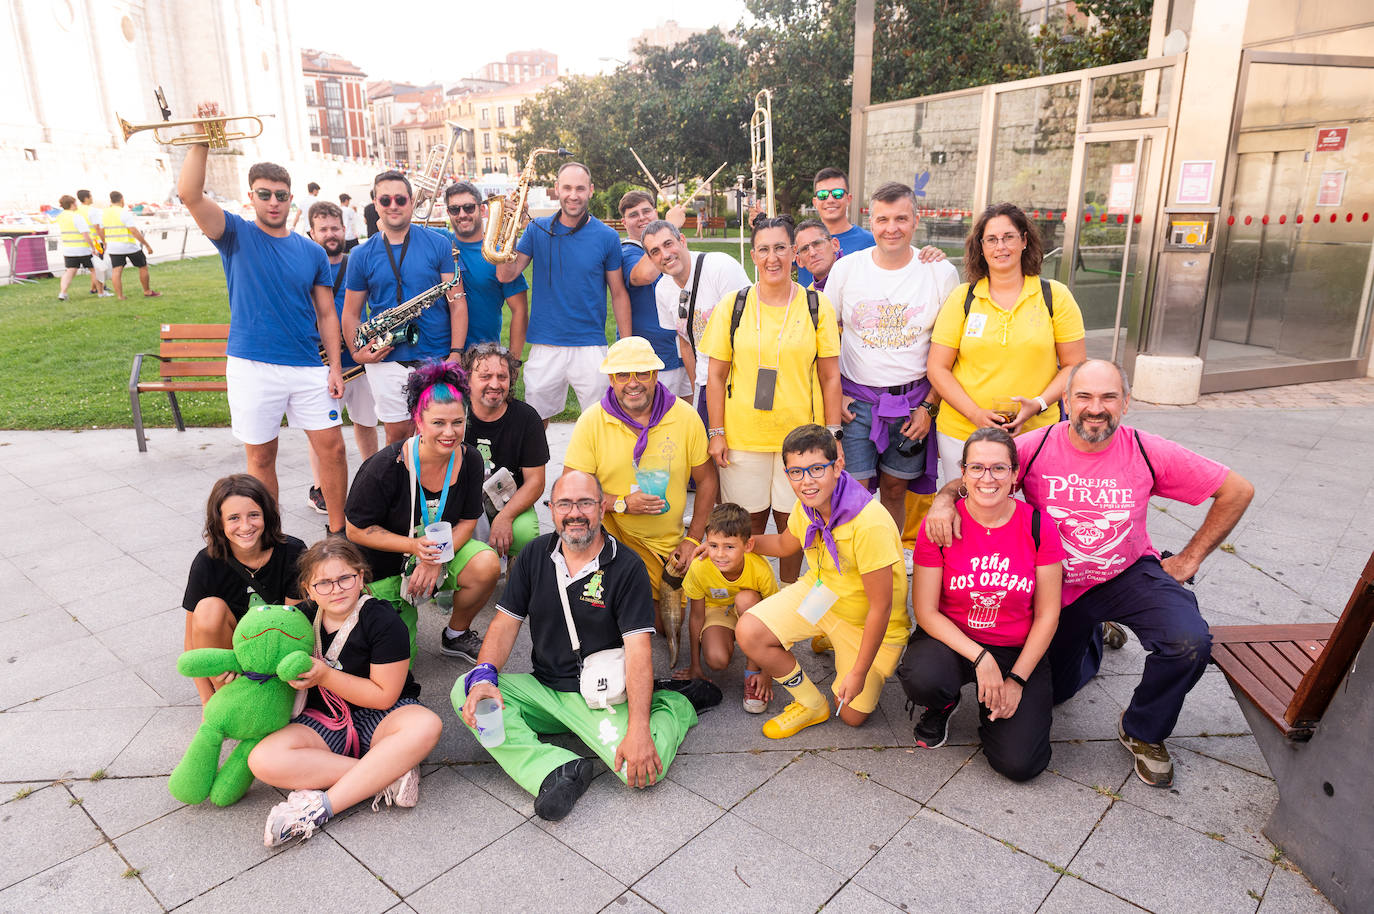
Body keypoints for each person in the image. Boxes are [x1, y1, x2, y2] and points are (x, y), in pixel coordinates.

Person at [924, 360, 1255, 787]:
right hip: (1056, 587)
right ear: (1066, 401)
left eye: (1108, 397)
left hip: (1126, 573)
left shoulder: (1146, 449)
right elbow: (981, 474)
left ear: (1126, 403)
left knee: (1189, 642)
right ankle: (1095, 638)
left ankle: (1143, 729)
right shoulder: (1037, 445)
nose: (1095, 408)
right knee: (1058, 693)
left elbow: (1237, 489)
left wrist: (1189, 559)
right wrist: (943, 500)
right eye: (1084, 397)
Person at [452, 471, 701, 822]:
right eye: (565, 503)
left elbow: (639, 650)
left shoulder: (626, 566)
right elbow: (505, 626)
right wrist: (484, 677)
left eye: (585, 503)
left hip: (602, 693)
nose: (575, 513)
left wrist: (640, 729)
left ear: (601, 508)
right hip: (545, 688)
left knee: (643, 772)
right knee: (467, 690)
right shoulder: (534, 556)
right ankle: (557, 768)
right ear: (551, 509)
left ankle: (674, 704)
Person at [177, 125, 350, 535]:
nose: (273, 202)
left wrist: (336, 367)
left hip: (308, 366)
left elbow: (327, 314)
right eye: (264, 194)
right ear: (250, 197)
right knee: (260, 459)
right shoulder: (235, 234)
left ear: (291, 199)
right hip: (252, 366)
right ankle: (271, 543)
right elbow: (189, 194)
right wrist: (202, 138)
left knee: (334, 449)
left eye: (281, 195)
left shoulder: (311, 250)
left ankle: (339, 532)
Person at [251, 538, 443, 847]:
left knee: (427, 725)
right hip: (325, 718)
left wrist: (325, 675)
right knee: (262, 759)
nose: (336, 589)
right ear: (308, 587)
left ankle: (319, 809)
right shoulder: (299, 618)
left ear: (361, 577)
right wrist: (239, 670)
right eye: (323, 583)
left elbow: (384, 696)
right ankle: (387, 775)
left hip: (383, 716)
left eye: (345, 578)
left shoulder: (382, 618)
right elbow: (263, 657)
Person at [898, 427, 1063, 781]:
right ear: (963, 473)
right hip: (954, 641)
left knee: (1021, 765)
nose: (987, 478)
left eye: (999, 468)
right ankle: (942, 704)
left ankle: (995, 718)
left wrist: (1016, 678)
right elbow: (925, 612)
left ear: (1015, 475)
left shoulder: (1038, 526)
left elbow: (1049, 613)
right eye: (977, 468)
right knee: (923, 675)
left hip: (1015, 648)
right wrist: (980, 658)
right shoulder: (940, 525)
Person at [735, 425, 909, 739]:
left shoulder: (869, 523)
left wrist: (858, 673)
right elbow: (783, 546)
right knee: (749, 631)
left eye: (817, 469)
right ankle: (812, 704)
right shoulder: (809, 506)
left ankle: (842, 646)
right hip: (823, 596)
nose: (806, 481)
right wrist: (734, 545)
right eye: (796, 472)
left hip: (866, 620)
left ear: (837, 466)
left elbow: (881, 609)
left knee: (852, 714)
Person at [700, 214, 843, 585]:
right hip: (743, 439)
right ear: (753, 255)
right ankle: (748, 596)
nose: (772, 257)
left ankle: (789, 595)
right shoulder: (734, 305)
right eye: (764, 249)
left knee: (793, 527)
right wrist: (716, 431)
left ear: (795, 253)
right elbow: (714, 376)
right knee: (744, 529)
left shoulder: (816, 305)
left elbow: (830, 377)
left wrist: (834, 437)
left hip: (801, 442)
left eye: (780, 248)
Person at [826, 182, 958, 554]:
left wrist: (930, 407)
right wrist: (833, 399)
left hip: (911, 403)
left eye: (901, 218)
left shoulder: (939, 273)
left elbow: (950, 351)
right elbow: (823, 341)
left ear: (916, 220)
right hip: (856, 402)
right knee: (853, 490)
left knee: (896, 488)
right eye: (882, 219)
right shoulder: (847, 270)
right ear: (871, 221)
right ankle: (853, 564)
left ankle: (890, 558)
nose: (892, 228)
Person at [345, 362, 501, 663]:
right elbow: (355, 530)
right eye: (438, 423)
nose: (450, 432)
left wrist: (434, 557)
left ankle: (455, 635)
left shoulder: (469, 461)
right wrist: (414, 547)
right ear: (419, 420)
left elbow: (469, 520)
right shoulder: (385, 467)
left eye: (458, 422)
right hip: (385, 566)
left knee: (486, 564)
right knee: (398, 663)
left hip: (437, 553)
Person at [926, 203, 1087, 483]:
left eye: (1008, 237)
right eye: (991, 239)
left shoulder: (1054, 296)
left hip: (1035, 432)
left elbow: (1075, 365)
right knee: (967, 511)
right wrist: (975, 413)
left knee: (1033, 514)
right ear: (981, 246)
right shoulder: (963, 298)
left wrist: (1037, 404)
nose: (1000, 246)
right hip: (962, 431)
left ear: (1024, 240)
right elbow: (938, 368)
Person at [563, 337, 717, 612]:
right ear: (611, 379)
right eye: (623, 374)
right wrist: (621, 503)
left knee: (661, 620)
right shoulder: (592, 421)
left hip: (665, 545)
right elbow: (570, 492)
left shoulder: (684, 417)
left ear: (656, 374)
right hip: (609, 536)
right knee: (606, 611)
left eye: (642, 373)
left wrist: (693, 539)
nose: (633, 383)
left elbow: (707, 480)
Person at [494, 161, 631, 425]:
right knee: (535, 423)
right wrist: (511, 228)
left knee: (603, 423)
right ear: (557, 189)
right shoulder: (536, 229)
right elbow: (505, 275)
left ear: (590, 190)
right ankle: (534, 469)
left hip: (591, 345)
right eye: (567, 187)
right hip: (545, 345)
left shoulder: (607, 236)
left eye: (580, 188)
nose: (573, 195)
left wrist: (625, 347)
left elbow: (619, 294)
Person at [342, 170, 464, 446]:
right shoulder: (361, 254)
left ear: (411, 202)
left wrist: (455, 353)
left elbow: (457, 303)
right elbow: (350, 312)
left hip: (437, 357)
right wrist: (357, 351)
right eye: (385, 200)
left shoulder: (439, 244)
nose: (393, 205)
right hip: (386, 360)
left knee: (440, 437)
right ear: (376, 204)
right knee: (396, 438)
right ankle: (400, 490)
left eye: (400, 199)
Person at [182, 475, 306, 705]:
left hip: (276, 655)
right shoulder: (206, 561)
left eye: (254, 515)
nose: (246, 526)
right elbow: (191, 643)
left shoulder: (293, 552)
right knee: (208, 609)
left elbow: (296, 627)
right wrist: (207, 700)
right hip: (230, 659)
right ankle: (228, 700)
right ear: (219, 522)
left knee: (291, 623)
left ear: (267, 515)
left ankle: (273, 697)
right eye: (234, 518)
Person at [304, 201, 380, 516]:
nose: (331, 234)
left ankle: (375, 478)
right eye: (323, 229)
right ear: (312, 233)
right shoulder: (307, 266)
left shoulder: (356, 263)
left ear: (344, 229)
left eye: (335, 228)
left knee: (366, 422)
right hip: (321, 363)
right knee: (321, 430)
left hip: (357, 361)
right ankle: (321, 488)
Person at [641, 219, 749, 419]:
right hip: (707, 383)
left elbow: (752, 326)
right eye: (655, 251)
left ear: (682, 240)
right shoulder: (663, 290)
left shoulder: (720, 267)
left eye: (668, 244)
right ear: (650, 258)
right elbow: (686, 343)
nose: (665, 255)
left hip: (743, 380)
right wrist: (697, 390)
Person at [676, 503, 779, 713]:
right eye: (713, 545)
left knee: (745, 599)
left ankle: (753, 671)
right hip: (719, 611)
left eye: (729, 547)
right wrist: (696, 665)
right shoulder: (699, 567)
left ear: (748, 545)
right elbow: (696, 617)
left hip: (752, 611)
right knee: (716, 660)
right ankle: (731, 638)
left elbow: (776, 620)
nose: (720, 554)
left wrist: (768, 673)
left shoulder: (760, 568)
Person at [461, 342, 548, 558]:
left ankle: (517, 582)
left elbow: (536, 482)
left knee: (525, 533)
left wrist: (506, 517)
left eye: (502, 376)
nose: (495, 384)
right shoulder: (454, 414)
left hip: (508, 501)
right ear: (468, 379)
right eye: (485, 376)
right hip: (460, 503)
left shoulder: (527, 418)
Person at [440, 181, 528, 355]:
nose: (462, 214)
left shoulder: (499, 254)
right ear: (448, 213)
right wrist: (420, 197)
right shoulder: (440, 242)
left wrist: (514, 362)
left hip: (482, 358)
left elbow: (520, 310)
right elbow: (385, 225)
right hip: (441, 355)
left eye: (468, 208)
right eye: (455, 209)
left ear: (482, 210)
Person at [618, 190, 688, 397]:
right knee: (654, 418)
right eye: (633, 214)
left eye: (646, 211)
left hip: (683, 348)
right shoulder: (626, 252)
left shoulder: (673, 247)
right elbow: (644, 276)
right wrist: (670, 228)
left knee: (687, 414)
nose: (641, 217)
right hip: (652, 354)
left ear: (655, 213)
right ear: (624, 222)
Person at [797, 167, 874, 287]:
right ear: (815, 202)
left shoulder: (871, 242)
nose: (830, 200)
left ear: (848, 199)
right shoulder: (799, 241)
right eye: (823, 195)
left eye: (837, 194)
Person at [103, 191, 160, 299]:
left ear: (111, 200)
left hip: (113, 246)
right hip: (128, 245)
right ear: (122, 199)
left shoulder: (104, 213)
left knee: (117, 270)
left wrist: (105, 242)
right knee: (142, 266)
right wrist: (146, 245)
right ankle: (147, 291)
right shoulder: (124, 212)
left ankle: (120, 296)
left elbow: (101, 229)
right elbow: (133, 230)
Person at [53, 195, 97, 302]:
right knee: (95, 270)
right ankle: (100, 291)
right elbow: (85, 234)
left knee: (70, 271)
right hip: (82, 248)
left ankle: (63, 292)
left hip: (69, 249)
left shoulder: (60, 217)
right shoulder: (76, 216)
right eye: (75, 203)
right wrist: (93, 247)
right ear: (72, 204)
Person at [75, 189, 110, 297]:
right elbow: (97, 227)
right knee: (99, 266)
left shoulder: (76, 210)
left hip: (83, 241)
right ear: (86, 198)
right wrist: (104, 241)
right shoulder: (93, 211)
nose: (92, 198)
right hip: (95, 241)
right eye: (91, 196)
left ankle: (94, 288)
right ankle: (100, 289)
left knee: (94, 267)